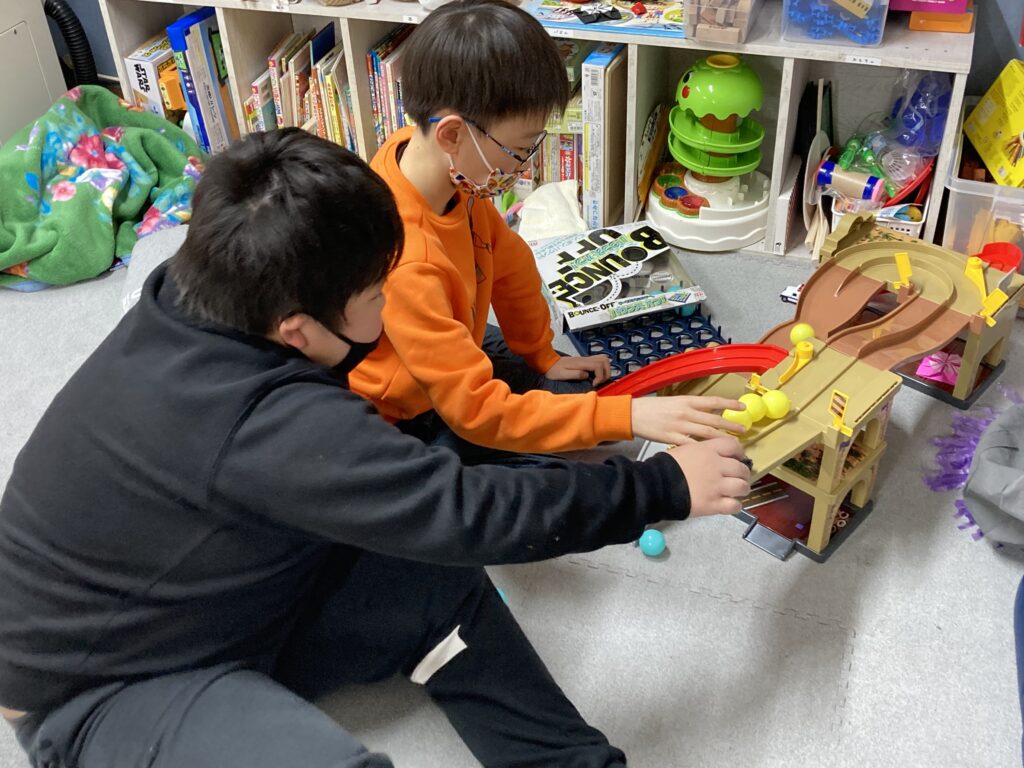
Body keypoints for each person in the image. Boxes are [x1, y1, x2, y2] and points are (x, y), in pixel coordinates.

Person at [0, 129, 750, 768]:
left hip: (229, 586)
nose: (388, 307)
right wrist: (663, 488)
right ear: (297, 329)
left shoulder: (204, 290)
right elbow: (466, 510)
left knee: (434, 574)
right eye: (373, 297)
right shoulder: (272, 424)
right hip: (101, 690)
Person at [350, 0, 744, 460]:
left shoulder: (432, 163)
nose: (523, 167)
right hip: (402, 413)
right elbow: (478, 413)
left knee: (579, 397)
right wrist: (628, 418)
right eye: (519, 149)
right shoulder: (407, 259)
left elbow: (510, 264)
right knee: (529, 474)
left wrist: (542, 355)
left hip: (447, 348)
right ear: (452, 135)